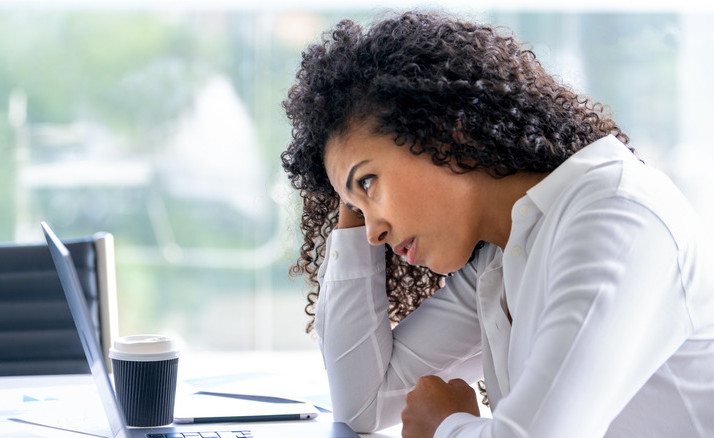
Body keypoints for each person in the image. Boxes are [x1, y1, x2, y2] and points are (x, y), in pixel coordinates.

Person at [280, 10, 714, 438]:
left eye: (369, 182)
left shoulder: (616, 216)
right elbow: (364, 405)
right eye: (354, 206)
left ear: (445, 129)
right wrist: (351, 197)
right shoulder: (502, 258)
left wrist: (445, 426)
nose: (371, 233)